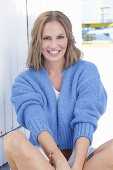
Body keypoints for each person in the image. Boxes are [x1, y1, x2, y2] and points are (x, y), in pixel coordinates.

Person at [3, 10, 113, 170]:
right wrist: (60, 162)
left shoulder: (87, 71)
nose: (54, 45)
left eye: (60, 37)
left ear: (68, 39)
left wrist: (76, 166)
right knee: (12, 139)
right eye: (46, 38)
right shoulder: (24, 81)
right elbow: (36, 121)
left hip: (81, 159)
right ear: (37, 41)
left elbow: (86, 118)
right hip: (42, 159)